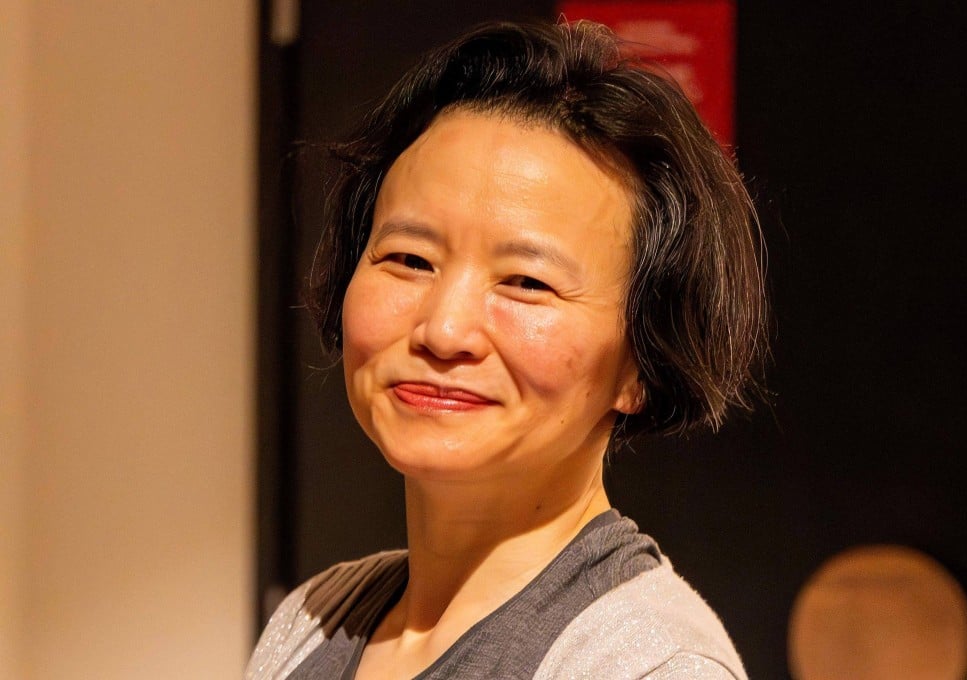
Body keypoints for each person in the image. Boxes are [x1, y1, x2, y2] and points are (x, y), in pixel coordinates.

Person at [246, 19, 766, 680]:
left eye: (526, 281)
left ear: (643, 359)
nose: (443, 330)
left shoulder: (643, 665)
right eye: (408, 259)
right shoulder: (312, 620)